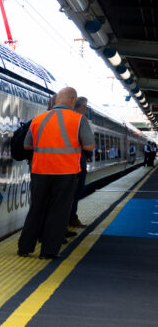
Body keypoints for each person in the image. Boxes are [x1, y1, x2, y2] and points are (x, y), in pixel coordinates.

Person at [17, 87, 95, 259]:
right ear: (73, 100)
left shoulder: (39, 119)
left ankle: (24, 248)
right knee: (58, 211)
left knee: (36, 209)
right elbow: (89, 146)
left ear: (57, 100)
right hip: (65, 172)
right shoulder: (79, 119)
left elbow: (27, 145)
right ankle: (48, 251)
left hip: (39, 171)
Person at [68, 96, 93, 228]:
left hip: (63, 164)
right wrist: (89, 155)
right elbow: (88, 144)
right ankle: (72, 219)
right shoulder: (81, 119)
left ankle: (65, 222)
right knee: (75, 193)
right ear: (84, 107)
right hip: (78, 163)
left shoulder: (65, 118)